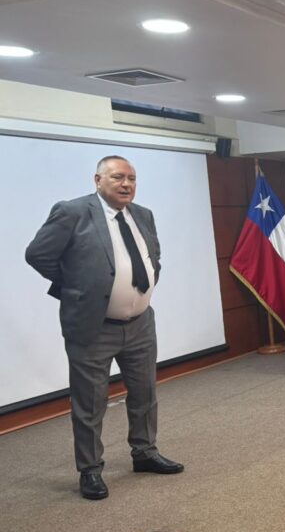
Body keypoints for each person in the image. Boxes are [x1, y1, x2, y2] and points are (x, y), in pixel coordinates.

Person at [25, 156, 184, 500]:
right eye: (117, 177)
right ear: (98, 180)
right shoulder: (72, 212)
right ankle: (90, 470)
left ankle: (145, 452)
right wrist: (78, 285)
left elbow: (152, 258)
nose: (126, 184)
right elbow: (37, 255)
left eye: (132, 178)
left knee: (144, 394)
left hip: (140, 324)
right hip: (93, 327)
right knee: (90, 403)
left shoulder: (143, 215)